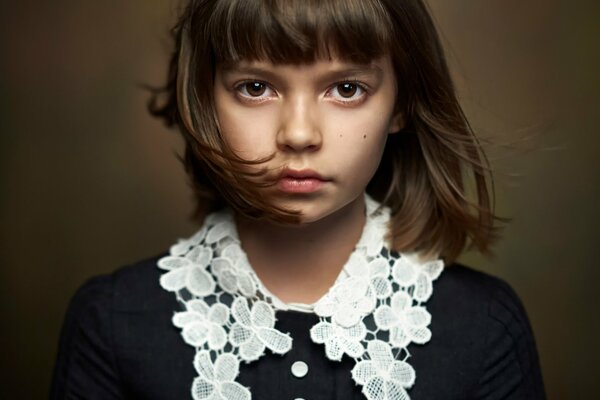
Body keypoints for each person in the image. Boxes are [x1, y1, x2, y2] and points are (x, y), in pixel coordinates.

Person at [50, 0, 546, 399]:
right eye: (256, 87)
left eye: (347, 88)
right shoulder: (113, 322)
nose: (300, 134)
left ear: (401, 104)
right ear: (204, 100)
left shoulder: (483, 328)